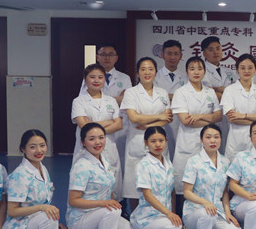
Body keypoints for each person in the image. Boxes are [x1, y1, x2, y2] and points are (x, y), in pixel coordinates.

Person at [4, 130, 82, 229]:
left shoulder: (42, 169)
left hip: (38, 222)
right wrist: (43, 209)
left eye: (42, 145)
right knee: (47, 215)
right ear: (23, 149)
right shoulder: (19, 175)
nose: (39, 150)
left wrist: (53, 224)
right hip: (20, 228)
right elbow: (12, 211)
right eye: (32, 147)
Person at [67, 123, 136, 229]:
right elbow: (73, 201)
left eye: (101, 137)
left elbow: (109, 188)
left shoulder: (104, 160)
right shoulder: (81, 166)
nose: (98, 142)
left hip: (100, 214)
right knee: (112, 211)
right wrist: (104, 203)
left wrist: (109, 202)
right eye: (92, 139)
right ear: (83, 142)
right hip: (81, 218)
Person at [182, 124, 244, 229]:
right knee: (207, 213)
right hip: (195, 212)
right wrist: (205, 202)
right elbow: (187, 192)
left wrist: (227, 212)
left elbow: (225, 192)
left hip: (217, 211)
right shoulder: (193, 162)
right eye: (208, 137)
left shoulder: (225, 162)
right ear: (201, 140)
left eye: (216, 137)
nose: (213, 141)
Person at [130, 126, 191, 229]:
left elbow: (171, 192)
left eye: (161, 140)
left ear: (166, 141)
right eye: (153, 141)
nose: (157, 144)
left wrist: (173, 214)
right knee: (174, 226)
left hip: (164, 217)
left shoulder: (168, 163)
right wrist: (169, 215)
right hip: (146, 218)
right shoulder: (143, 165)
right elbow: (147, 195)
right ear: (146, 142)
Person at [121, 57, 173, 210]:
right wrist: (159, 117)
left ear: (156, 72)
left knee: (160, 184)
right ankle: (135, 218)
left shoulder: (162, 93)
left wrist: (148, 125)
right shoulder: (131, 92)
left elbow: (167, 118)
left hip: (158, 141)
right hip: (137, 142)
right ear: (137, 73)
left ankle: (160, 214)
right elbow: (134, 118)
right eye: (143, 69)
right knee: (134, 186)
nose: (147, 72)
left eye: (151, 69)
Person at [171, 56, 222, 203]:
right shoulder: (181, 92)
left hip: (207, 143)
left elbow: (218, 116)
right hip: (188, 143)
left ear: (204, 71)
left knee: (206, 182)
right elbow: (186, 121)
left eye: (200, 68)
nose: (196, 72)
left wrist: (198, 116)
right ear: (186, 71)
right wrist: (209, 118)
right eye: (192, 69)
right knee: (185, 184)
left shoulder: (210, 92)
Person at [72, 63, 123, 198]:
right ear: (85, 79)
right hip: (86, 150)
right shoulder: (78, 101)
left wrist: (92, 125)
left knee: (112, 189)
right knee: (87, 188)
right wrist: (108, 122)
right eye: (92, 77)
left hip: (109, 148)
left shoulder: (111, 101)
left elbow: (119, 125)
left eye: (100, 77)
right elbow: (84, 127)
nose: (96, 80)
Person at [79, 44, 133, 163]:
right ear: (97, 57)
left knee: (118, 160)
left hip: (118, 127)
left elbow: (127, 101)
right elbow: (85, 99)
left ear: (116, 58)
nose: (107, 57)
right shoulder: (88, 79)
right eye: (103, 54)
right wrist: (117, 99)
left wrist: (106, 99)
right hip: (100, 123)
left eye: (111, 54)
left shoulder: (124, 78)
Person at [221, 54, 256, 162]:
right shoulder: (229, 90)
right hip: (237, 142)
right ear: (237, 70)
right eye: (242, 68)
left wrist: (243, 115)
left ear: (255, 69)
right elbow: (232, 119)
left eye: (250, 67)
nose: (246, 71)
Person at [154, 39, 187, 157]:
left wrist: (166, 96)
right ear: (163, 55)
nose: (172, 57)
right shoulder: (154, 76)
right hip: (160, 119)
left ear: (181, 56)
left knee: (179, 155)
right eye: (169, 53)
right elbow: (153, 97)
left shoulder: (187, 77)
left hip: (181, 122)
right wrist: (178, 96)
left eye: (176, 54)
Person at [201, 36, 236, 102]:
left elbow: (236, 91)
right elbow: (202, 91)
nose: (216, 52)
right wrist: (219, 90)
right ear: (204, 54)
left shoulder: (229, 71)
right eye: (211, 50)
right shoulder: (201, 71)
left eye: (218, 48)